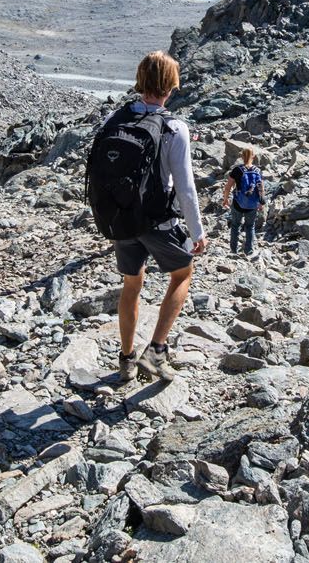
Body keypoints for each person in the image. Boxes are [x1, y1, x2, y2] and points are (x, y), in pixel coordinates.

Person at [92, 51, 207, 384]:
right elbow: (185, 188)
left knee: (132, 284)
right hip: (157, 220)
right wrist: (197, 231)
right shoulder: (174, 127)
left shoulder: (113, 119)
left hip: (121, 219)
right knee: (183, 273)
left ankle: (126, 359)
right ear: (171, 85)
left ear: (140, 79)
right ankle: (156, 350)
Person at [222, 147, 264, 255]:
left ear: (241, 157)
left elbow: (228, 187)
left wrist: (225, 199)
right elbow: (261, 188)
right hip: (252, 204)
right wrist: (260, 202)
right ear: (253, 157)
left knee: (235, 225)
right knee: (250, 226)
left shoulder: (237, 170)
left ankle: (233, 251)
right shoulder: (258, 171)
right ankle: (249, 251)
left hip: (238, 203)